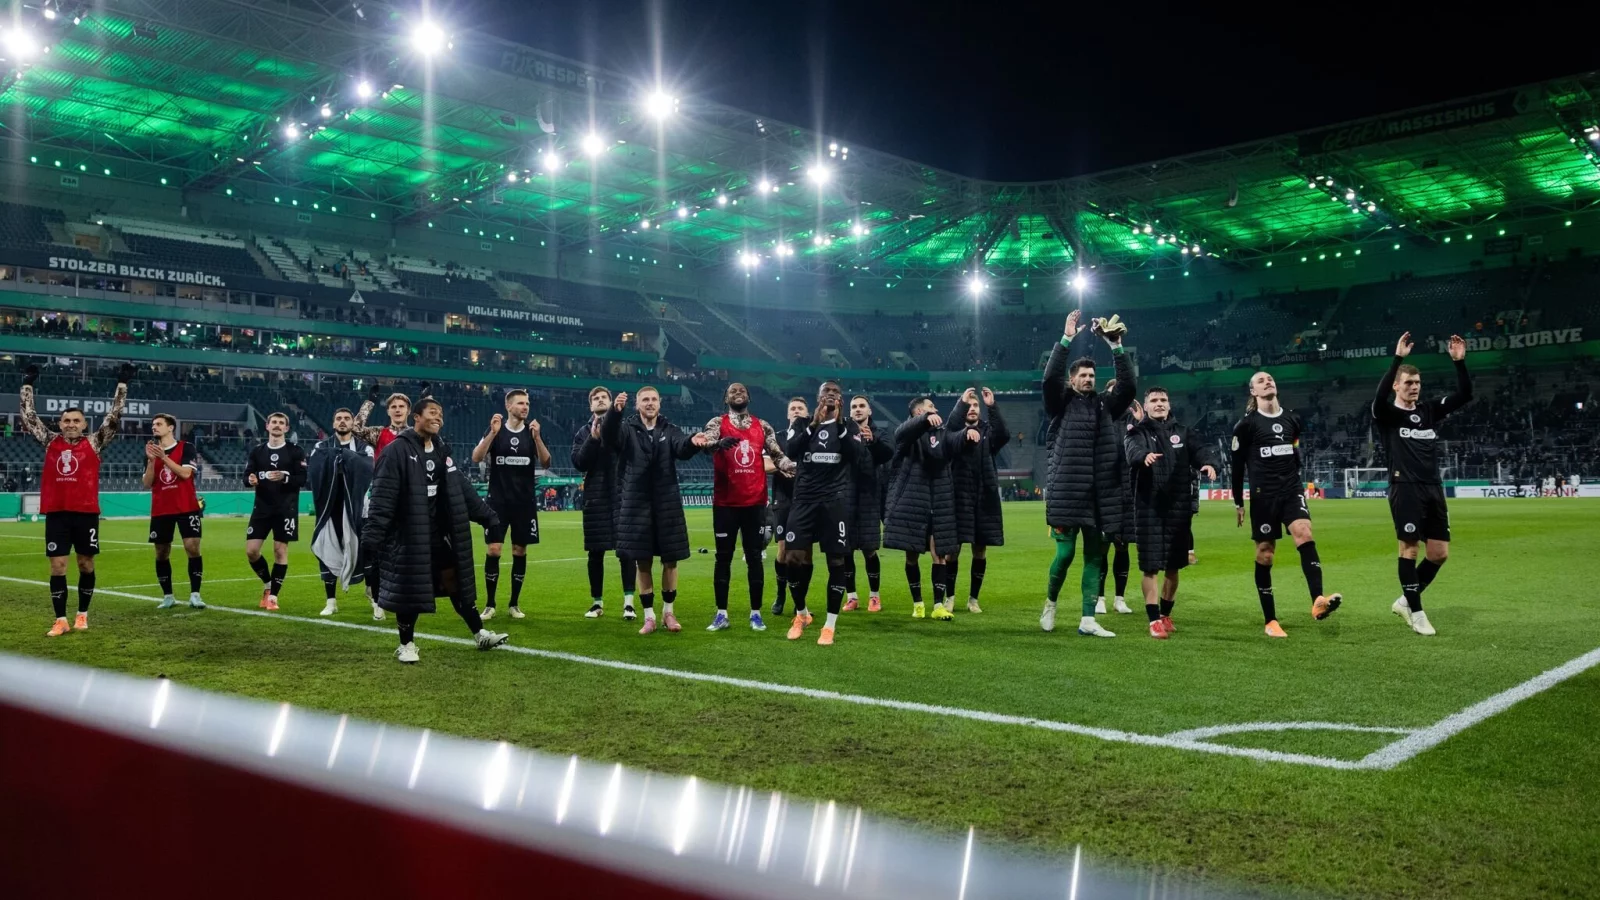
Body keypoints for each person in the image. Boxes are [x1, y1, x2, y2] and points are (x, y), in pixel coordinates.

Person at [363, 397, 508, 663]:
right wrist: (372, 540)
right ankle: (406, 645)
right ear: (416, 417)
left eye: (440, 413)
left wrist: (488, 517)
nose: (438, 417)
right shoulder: (396, 451)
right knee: (410, 589)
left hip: (438, 535)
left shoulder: (441, 450)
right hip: (407, 536)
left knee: (456, 582)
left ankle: (480, 634)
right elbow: (382, 498)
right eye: (432, 412)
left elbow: (461, 488)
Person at [1040, 311, 1134, 638]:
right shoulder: (1060, 403)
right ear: (1072, 379)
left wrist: (1116, 346)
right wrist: (1066, 339)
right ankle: (1051, 603)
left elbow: (1128, 386)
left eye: (1092, 375)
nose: (1089, 379)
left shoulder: (1105, 406)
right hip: (1067, 492)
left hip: (1098, 495)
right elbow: (1049, 380)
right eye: (1083, 375)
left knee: (1094, 556)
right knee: (1065, 554)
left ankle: (1088, 619)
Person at [19, 362, 131, 636]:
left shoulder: (94, 442)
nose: (71, 424)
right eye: (66, 421)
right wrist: (27, 385)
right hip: (57, 514)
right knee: (57, 566)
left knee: (85, 564)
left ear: (84, 424)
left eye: (76, 421)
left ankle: (82, 614)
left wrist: (122, 385)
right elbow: (29, 417)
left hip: (86, 514)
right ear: (60, 424)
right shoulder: (50, 441)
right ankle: (60, 620)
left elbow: (114, 416)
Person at [1373, 332, 1471, 637]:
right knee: (1409, 548)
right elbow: (1378, 399)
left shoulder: (1428, 411)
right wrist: (1397, 359)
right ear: (1396, 386)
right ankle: (1416, 613)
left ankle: (1405, 600)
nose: (1414, 387)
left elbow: (1465, 395)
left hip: (1432, 487)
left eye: (1417, 383)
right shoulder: (1388, 414)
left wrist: (1459, 363)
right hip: (1405, 487)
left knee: (1439, 553)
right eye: (1408, 383)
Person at [1231, 371, 1342, 638]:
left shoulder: (1293, 419)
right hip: (1263, 495)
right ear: (1253, 392)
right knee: (1265, 553)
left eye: (1270, 378)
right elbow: (1236, 467)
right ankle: (1270, 620)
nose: (1267, 381)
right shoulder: (1246, 425)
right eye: (1260, 381)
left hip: (1291, 490)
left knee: (1304, 532)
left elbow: (1294, 449)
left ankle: (1318, 600)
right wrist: (1238, 502)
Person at [602, 387, 714, 634]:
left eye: (654, 399)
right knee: (642, 560)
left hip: (667, 503)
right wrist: (614, 412)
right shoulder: (627, 429)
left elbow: (681, 447)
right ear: (637, 404)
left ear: (660, 404)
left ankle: (668, 613)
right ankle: (649, 616)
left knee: (670, 560)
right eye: (645, 400)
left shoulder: (669, 429)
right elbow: (608, 436)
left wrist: (692, 442)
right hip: (636, 503)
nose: (650, 403)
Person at [700, 382, 795, 632]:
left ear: (749, 397)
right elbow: (706, 443)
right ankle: (721, 614)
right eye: (733, 391)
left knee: (754, 558)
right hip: (725, 503)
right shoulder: (717, 423)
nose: (738, 393)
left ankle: (756, 614)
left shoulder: (763, 426)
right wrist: (717, 444)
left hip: (755, 503)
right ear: (726, 398)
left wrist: (794, 467)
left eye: (742, 390)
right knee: (723, 559)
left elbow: (778, 455)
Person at [1125, 386, 1218, 638]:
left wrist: (1209, 463)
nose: (1159, 403)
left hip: (1178, 507)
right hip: (1149, 507)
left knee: (1174, 567)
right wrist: (1143, 456)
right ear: (1146, 406)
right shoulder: (1137, 432)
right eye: (1154, 400)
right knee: (1150, 567)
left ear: (1169, 404)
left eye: (1163, 400)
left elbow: (1201, 451)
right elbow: (1132, 451)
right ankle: (1153, 620)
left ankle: (1166, 614)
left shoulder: (1184, 432)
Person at [779, 381, 867, 645]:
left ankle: (829, 625)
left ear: (841, 399)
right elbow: (791, 451)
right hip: (804, 500)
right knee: (792, 558)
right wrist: (814, 424)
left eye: (835, 392)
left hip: (834, 500)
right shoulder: (801, 423)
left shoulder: (849, 426)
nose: (830, 395)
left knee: (836, 561)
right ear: (818, 398)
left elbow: (856, 455)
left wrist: (838, 424)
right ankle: (801, 614)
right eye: (826, 392)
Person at [471, 389, 551, 620]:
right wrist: (492, 434)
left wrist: (538, 438)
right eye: (520, 403)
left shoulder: (532, 432)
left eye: (527, 403)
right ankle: (490, 604)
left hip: (524, 503)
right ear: (508, 406)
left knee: (519, 550)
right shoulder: (496, 430)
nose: (525, 407)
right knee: (494, 549)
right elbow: (476, 457)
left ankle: (514, 604)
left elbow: (546, 462)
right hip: (498, 502)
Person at [882, 395, 960, 619]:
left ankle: (938, 606)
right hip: (913, 503)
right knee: (912, 555)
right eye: (930, 407)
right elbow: (901, 433)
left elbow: (955, 437)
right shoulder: (907, 435)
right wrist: (924, 419)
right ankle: (918, 603)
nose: (935, 410)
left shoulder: (941, 435)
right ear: (919, 412)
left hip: (937, 502)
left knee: (939, 554)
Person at [572, 385, 636, 619]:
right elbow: (579, 463)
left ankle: (629, 603)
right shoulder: (582, 432)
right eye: (596, 398)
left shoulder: (624, 427)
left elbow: (626, 450)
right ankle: (597, 603)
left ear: (610, 403)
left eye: (604, 397)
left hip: (622, 495)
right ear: (590, 405)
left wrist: (613, 420)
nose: (600, 400)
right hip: (595, 498)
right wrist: (592, 439)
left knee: (626, 551)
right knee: (595, 552)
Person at [308, 406, 378, 619]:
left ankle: (375, 599)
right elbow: (315, 468)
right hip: (329, 510)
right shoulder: (321, 446)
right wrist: (344, 458)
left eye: (347, 418)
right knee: (327, 549)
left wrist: (342, 457)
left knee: (368, 553)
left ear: (352, 423)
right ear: (333, 423)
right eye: (338, 418)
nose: (342, 421)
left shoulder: (365, 448)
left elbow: (367, 468)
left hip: (358, 510)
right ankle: (331, 602)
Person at [948, 387, 1008, 614]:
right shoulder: (953, 432)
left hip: (984, 497)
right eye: (969, 406)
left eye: (976, 406)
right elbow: (951, 428)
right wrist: (961, 404)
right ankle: (950, 597)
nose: (972, 409)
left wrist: (992, 407)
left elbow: (1003, 434)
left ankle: (973, 599)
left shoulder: (988, 433)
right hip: (958, 497)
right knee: (952, 550)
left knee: (980, 550)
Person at [142, 413, 206, 611]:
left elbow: (186, 474)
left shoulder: (186, 447)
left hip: (186, 507)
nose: (154, 427)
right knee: (161, 552)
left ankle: (195, 594)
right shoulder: (151, 451)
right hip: (161, 509)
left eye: (159, 424)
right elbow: (147, 483)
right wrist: (151, 461)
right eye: (153, 424)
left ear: (170, 427)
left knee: (192, 547)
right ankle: (168, 596)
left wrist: (164, 458)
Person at [244, 412, 306, 612]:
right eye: (274, 422)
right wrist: (251, 480)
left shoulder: (295, 451)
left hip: (286, 508)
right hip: (261, 508)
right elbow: (247, 476)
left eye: (281, 423)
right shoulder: (257, 451)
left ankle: (273, 597)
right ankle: (268, 584)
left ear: (286, 428)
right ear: (267, 426)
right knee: (251, 551)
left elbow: (303, 479)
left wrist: (284, 477)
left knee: (280, 551)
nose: (277, 425)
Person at [843, 394, 895, 613]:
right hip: (846, 497)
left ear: (869, 410)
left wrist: (872, 441)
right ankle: (852, 597)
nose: (858, 409)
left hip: (870, 498)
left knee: (869, 550)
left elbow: (887, 454)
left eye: (862, 406)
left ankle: (874, 596)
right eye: (854, 406)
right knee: (845, 550)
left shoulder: (880, 434)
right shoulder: (843, 433)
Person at [1096, 380, 1137, 617]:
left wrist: (1141, 424)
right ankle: (1099, 597)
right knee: (1101, 548)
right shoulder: (1100, 420)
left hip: (1126, 494)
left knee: (1123, 546)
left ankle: (1119, 598)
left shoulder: (1133, 422)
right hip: (1104, 494)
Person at [768, 396, 808, 614]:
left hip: (808, 499)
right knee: (783, 549)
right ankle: (781, 594)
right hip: (783, 499)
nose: (796, 411)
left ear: (807, 413)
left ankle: (800, 602)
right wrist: (787, 465)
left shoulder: (813, 437)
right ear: (787, 414)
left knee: (805, 552)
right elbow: (765, 464)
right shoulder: (777, 438)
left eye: (800, 408)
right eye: (793, 408)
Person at [355, 382, 428, 459]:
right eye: (393, 407)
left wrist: (427, 401)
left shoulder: (417, 434)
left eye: (401, 406)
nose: (397, 410)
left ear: (409, 411)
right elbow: (355, 429)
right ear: (388, 412)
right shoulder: (378, 433)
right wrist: (370, 402)